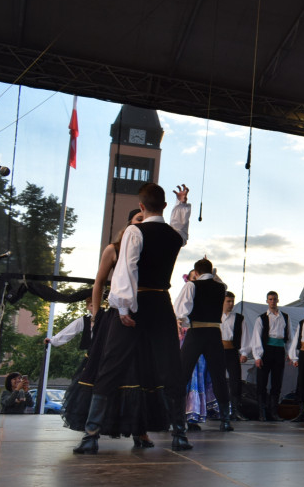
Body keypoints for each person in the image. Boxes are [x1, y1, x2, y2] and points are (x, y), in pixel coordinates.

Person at [73, 183, 191, 454]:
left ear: (141, 207)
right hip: (161, 303)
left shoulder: (134, 231)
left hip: (137, 303)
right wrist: (181, 205)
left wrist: (124, 308)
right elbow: (181, 231)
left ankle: (91, 436)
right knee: (171, 366)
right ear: (163, 206)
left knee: (111, 365)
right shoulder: (174, 236)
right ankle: (180, 434)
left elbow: (127, 269)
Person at [61, 209, 157, 449]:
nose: (142, 225)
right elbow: (99, 281)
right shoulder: (113, 249)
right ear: (129, 224)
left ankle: (139, 431)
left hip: (143, 316)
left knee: (140, 371)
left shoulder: (150, 249)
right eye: (138, 221)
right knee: (107, 370)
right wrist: (95, 316)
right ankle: (91, 433)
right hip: (116, 315)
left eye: (145, 221)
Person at [175, 258, 233, 432]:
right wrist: (214, 275)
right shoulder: (221, 287)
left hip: (196, 332)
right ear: (212, 271)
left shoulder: (192, 286)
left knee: (182, 374)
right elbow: (219, 281)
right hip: (215, 334)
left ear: (196, 272)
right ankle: (225, 420)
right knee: (219, 376)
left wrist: (185, 323)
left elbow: (180, 310)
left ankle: (177, 419)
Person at [250, 291, 293, 421]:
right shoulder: (261, 318)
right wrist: (257, 356)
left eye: (274, 299)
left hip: (279, 350)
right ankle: (262, 412)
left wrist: (290, 354)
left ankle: (274, 412)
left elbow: (290, 337)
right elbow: (256, 337)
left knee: (277, 382)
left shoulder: (285, 317)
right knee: (262, 383)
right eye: (270, 299)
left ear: (278, 300)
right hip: (266, 351)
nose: (273, 301)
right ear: (267, 301)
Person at [221, 290, 250, 421]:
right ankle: (218, 410)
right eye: (228, 301)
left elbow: (245, 336)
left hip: (232, 351)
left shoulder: (239, 318)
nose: (231, 304)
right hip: (218, 351)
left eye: (232, 301)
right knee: (217, 380)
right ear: (222, 302)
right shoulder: (216, 316)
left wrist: (244, 352)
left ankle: (236, 410)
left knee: (235, 380)